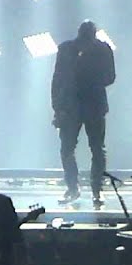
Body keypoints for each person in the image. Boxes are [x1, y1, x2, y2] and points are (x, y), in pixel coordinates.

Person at [52, 20, 116, 208]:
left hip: (92, 104)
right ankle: (74, 187)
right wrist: (57, 107)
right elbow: (58, 78)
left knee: (95, 148)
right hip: (71, 106)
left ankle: (96, 189)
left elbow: (110, 77)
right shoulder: (66, 49)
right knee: (69, 148)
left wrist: (89, 74)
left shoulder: (103, 50)